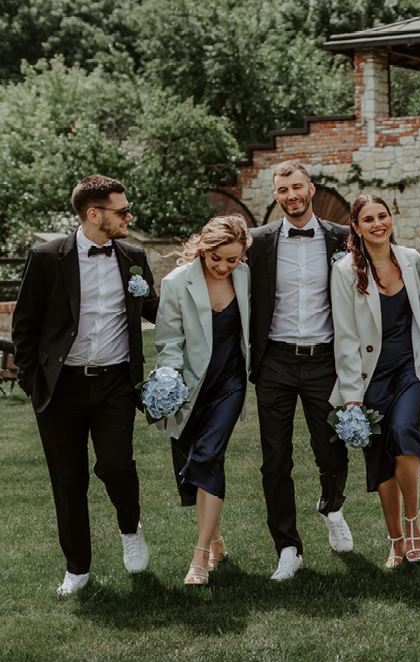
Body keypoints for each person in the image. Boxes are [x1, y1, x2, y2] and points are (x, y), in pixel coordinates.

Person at [12, 174, 158, 595]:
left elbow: (156, 310)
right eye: (122, 210)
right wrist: (31, 380)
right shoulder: (46, 257)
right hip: (60, 388)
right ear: (94, 215)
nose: (129, 215)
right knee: (68, 480)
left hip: (115, 384)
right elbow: (24, 326)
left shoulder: (133, 256)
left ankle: (130, 529)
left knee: (116, 466)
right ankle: (77, 568)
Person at [247, 160, 354, 581]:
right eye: (281, 191)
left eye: (296, 187)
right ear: (276, 196)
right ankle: (288, 547)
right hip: (274, 360)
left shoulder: (341, 238)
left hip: (325, 360)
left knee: (332, 450)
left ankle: (331, 506)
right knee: (275, 459)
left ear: (311, 188)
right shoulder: (258, 242)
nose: (290, 196)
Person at [330, 195, 420, 568]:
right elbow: (346, 337)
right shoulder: (346, 271)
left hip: (411, 368)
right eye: (369, 219)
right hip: (369, 377)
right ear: (356, 226)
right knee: (378, 457)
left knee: (404, 429)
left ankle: (413, 521)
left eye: (383, 216)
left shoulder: (411, 260)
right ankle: (395, 541)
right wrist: (351, 398)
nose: (378, 224)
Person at [153, 215, 252, 585]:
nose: (225, 267)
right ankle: (217, 538)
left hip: (230, 384)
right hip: (190, 387)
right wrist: (169, 383)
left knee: (209, 455)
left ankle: (199, 557)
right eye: (218, 259)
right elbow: (168, 342)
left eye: (233, 259)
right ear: (203, 249)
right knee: (193, 465)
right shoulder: (177, 283)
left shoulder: (245, 277)